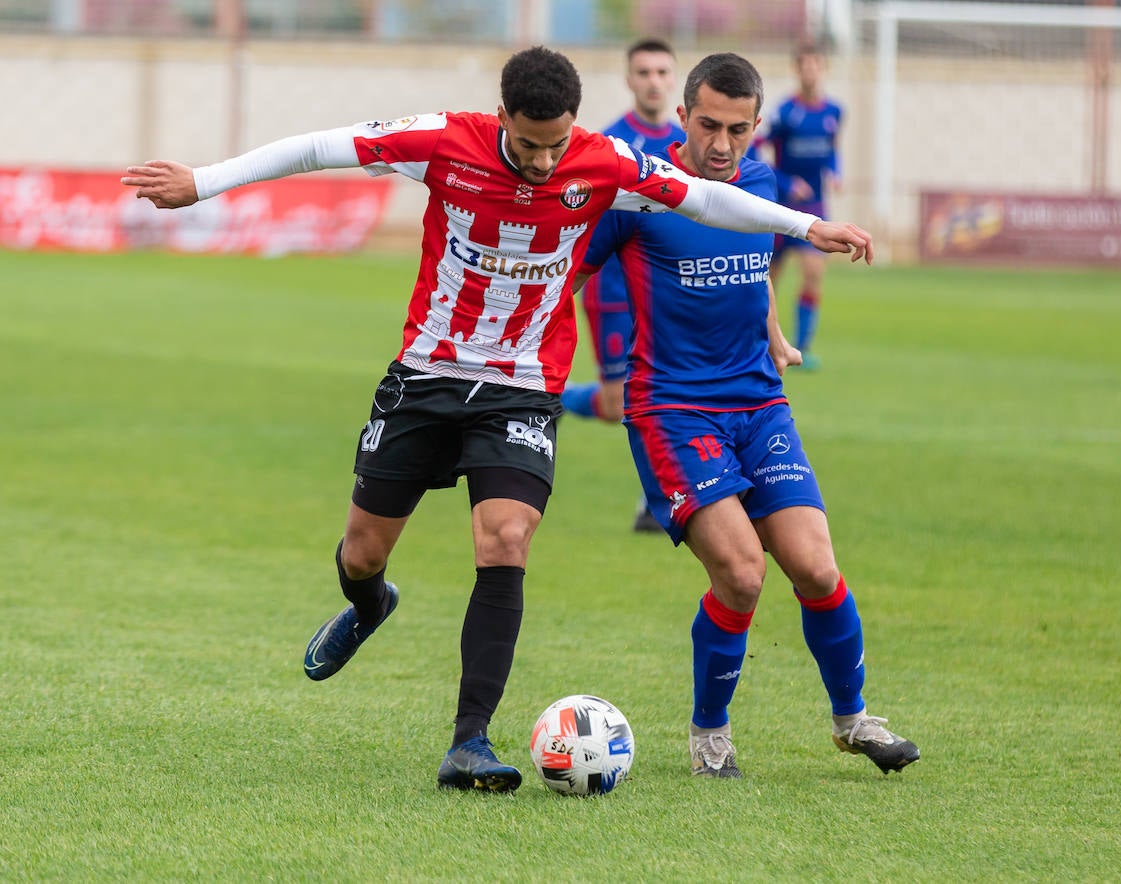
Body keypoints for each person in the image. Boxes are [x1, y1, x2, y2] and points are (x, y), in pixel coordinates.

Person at [120, 45, 875, 794]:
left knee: (505, 538)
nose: (546, 163)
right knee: (361, 554)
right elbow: (324, 145)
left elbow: (706, 199)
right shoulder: (447, 140)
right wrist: (204, 182)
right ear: (504, 116)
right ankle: (371, 602)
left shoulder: (604, 160)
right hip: (426, 375)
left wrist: (807, 228)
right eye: (529, 144)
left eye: (557, 145)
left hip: (523, 387)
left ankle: (470, 742)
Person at [578, 52, 918, 779]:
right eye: (708, 126)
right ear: (682, 118)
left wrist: (775, 335)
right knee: (740, 573)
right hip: (671, 410)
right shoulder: (642, 191)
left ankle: (854, 720)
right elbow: (570, 265)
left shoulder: (762, 186)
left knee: (816, 567)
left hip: (760, 404)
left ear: (757, 125)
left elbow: (753, 270)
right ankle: (709, 735)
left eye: (737, 128)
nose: (721, 144)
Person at [560, 37, 685, 533]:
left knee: (669, 395)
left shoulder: (686, 144)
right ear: (630, 79)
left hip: (667, 296)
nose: (653, 81)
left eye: (661, 72)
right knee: (618, 405)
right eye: (644, 72)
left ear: (672, 79)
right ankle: (560, 399)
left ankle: (658, 501)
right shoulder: (608, 144)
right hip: (613, 293)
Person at [761, 41, 843, 371]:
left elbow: (833, 149)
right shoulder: (784, 113)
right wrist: (785, 182)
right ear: (797, 69)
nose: (810, 70)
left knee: (813, 274)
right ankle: (764, 341)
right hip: (782, 206)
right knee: (767, 279)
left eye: (816, 64)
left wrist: (835, 171)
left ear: (823, 69)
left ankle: (803, 347)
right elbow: (759, 152)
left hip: (816, 204)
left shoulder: (834, 112)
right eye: (805, 64)